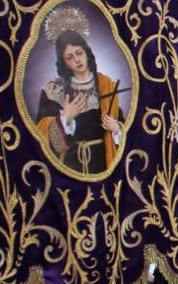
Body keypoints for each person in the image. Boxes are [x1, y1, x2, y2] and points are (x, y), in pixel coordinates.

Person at [36, 12, 125, 175]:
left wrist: (116, 128)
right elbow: (40, 137)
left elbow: (123, 126)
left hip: (101, 166)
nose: (77, 60)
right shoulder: (53, 91)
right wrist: (65, 119)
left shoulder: (106, 85)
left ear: (86, 52)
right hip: (70, 168)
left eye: (79, 53)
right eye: (69, 57)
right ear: (64, 62)